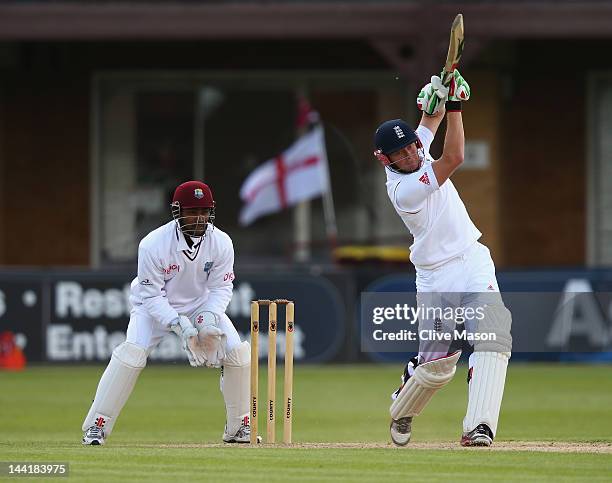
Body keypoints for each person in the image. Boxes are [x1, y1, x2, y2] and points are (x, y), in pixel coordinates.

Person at [373, 71, 512, 447]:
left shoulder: (416, 146)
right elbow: (454, 156)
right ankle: (402, 408)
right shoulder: (403, 190)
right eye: (399, 155)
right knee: (438, 366)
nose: (410, 155)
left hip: (471, 257)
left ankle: (478, 427)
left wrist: (434, 99)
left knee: (494, 337)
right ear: (384, 159)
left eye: (411, 148)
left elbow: (427, 126)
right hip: (436, 277)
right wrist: (454, 105)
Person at [82, 180, 255, 445]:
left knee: (239, 355)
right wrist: (180, 326)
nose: (199, 218)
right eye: (191, 211)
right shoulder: (153, 244)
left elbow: (221, 287)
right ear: (177, 211)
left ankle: (238, 428)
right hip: (153, 308)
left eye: (204, 211)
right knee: (132, 356)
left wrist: (207, 319)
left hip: (199, 304)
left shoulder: (221, 242)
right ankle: (97, 425)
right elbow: (151, 295)